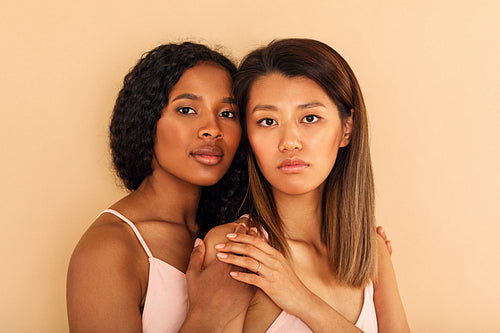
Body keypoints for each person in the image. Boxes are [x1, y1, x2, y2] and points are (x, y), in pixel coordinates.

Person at [207, 39, 410, 332]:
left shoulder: (371, 252)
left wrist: (301, 300)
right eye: (267, 121)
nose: (289, 141)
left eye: (310, 118)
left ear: (347, 129)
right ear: (248, 137)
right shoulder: (237, 250)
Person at [66, 42, 254, 333]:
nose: (212, 128)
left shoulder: (237, 227)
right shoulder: (109, 249)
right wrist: (207, 315)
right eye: (187, 109)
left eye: (227, 113)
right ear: (146, 122)